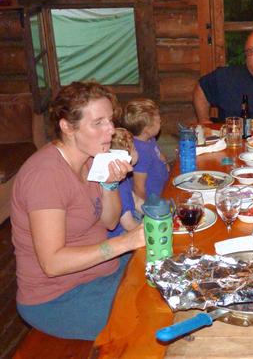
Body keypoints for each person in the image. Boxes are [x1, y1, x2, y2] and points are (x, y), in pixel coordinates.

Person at [10, 81, 145, 340]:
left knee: (169, 270)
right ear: (67, 127)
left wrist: (109, 184)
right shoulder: (45, 176)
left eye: (110, 120)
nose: (111, 130)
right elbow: (52, 263)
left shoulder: (93, 158)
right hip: (57, 297)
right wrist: (125, 242)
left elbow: (109, 221)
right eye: (98, 123)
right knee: (151, 313)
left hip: (103, 271)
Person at [121, 98, 169, 201]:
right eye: (157, 121)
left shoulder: (149, 140)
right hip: (152, 201)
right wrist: (145, 209)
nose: (160, 120)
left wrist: (164, 162)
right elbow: (139, 187)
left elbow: (157, 155)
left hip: (162, 191)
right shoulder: (140, 152)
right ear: (147, 129)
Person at [108, 128, 142, 238]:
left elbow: (136, 201)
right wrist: (150, 230)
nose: (137, 152)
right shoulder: (119, 186)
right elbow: (128, 224)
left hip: (133, 219)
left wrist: (156, 212)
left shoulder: (124, 178)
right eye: (135, 149)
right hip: (122, 235)